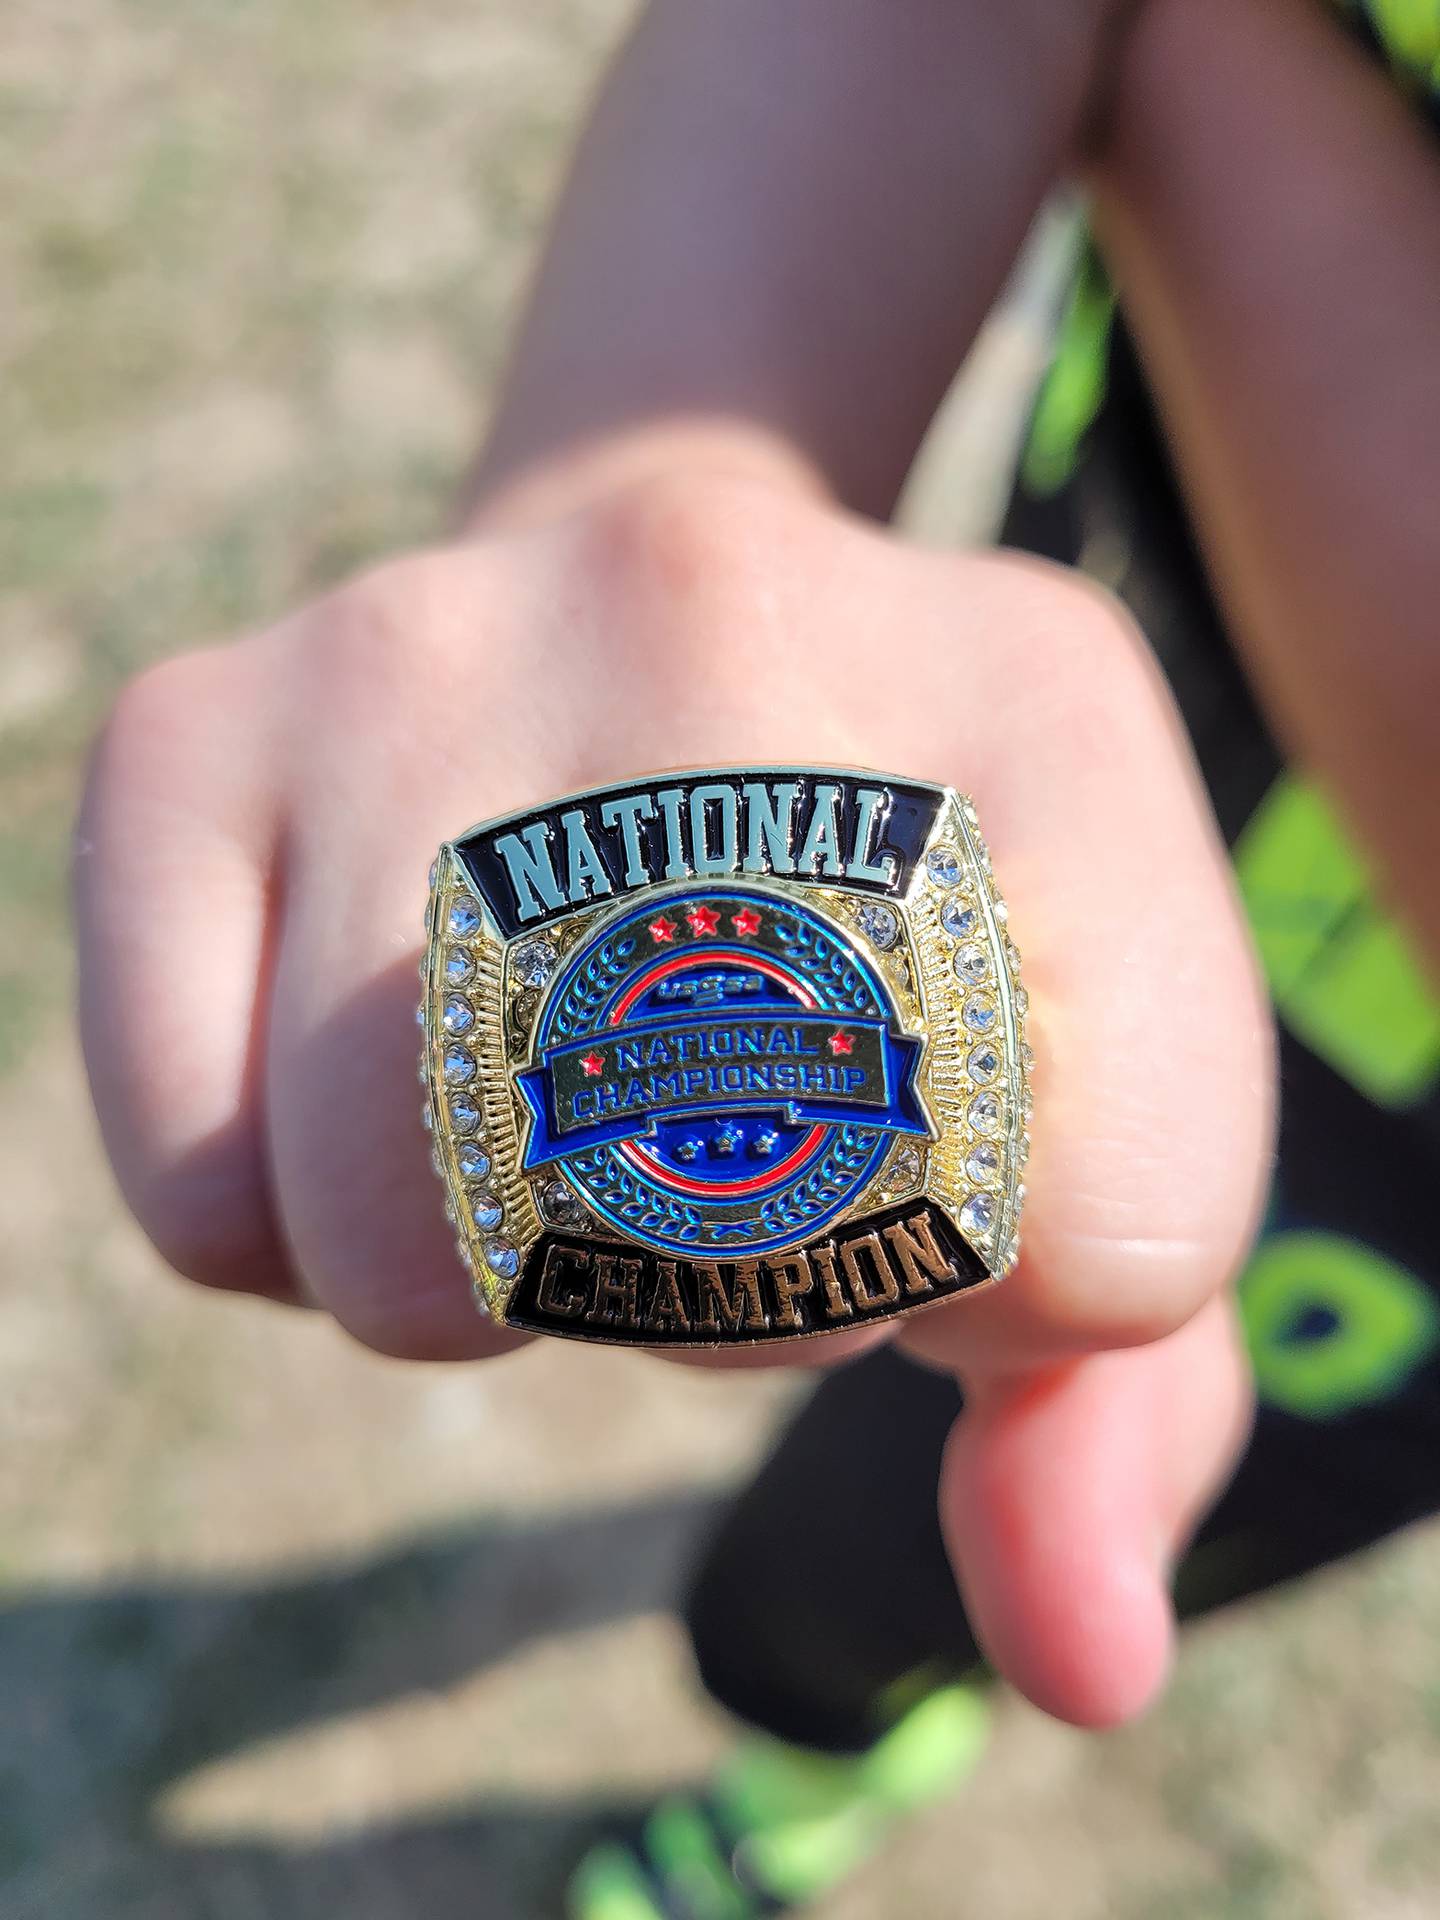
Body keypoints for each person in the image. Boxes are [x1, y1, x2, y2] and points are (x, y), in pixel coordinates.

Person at [72, 0, 1440, 1913]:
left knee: (921, 1577)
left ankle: (832, 1749)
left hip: (1394, 1152)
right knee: (890, 1497)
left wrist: (1208, 82)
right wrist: (637, 494)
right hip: (1071, 669)